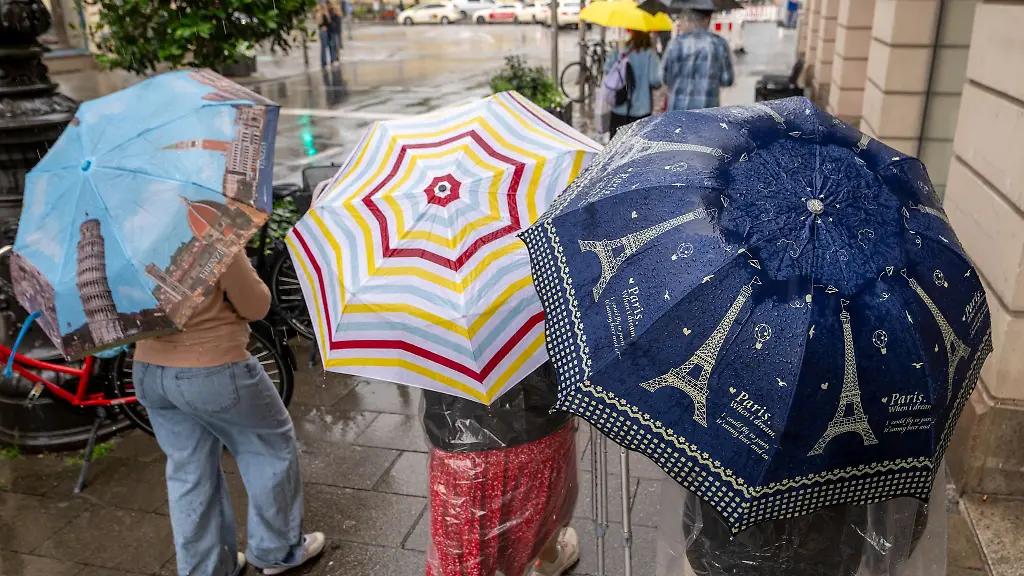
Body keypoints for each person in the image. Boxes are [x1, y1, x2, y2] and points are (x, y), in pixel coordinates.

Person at [132, 252, 325, 576]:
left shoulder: (123, 242)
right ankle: (276, 550)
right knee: (269, 447)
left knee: (188, 470)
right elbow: (255, 305)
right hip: (213, 365)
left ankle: (208, 568)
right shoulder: (206, 233)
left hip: (149, 370)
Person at [421, 362, 580, 576]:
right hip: (540, 427)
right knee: (547, 511)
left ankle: (548, 555)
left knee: (465, 548)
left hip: (460, 445)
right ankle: (548, 557)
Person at [661, 9, 734, 111]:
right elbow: (727, 80)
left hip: (677, 113)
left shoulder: (676, 43)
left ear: (688, 19)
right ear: (708, 20)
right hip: (707, 113)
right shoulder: (719, 44)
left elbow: (665, 78)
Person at [603, 30, 663, 137]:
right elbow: (655, 80)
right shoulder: (650, 54)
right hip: (641, 111)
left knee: (616, 148)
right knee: (637, 149)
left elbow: (607, 70)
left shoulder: (619, 50)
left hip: (619, 107)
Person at [316, 1, 338, 67]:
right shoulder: (318, 13)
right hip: (322, 32)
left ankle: (332, 60)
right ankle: (323, 62)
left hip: (328, 31)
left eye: (324, 5)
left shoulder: (327, 12)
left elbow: (329, 21)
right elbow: (318, 22)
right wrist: (321, 13)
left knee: (331, 46)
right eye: (322, 5)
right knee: (323, 47)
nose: (323, 6)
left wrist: (326, 14)